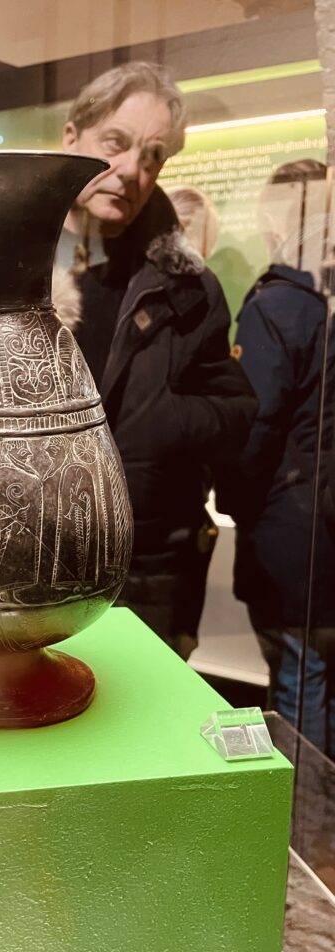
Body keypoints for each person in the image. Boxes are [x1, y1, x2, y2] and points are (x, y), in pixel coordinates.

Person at [54, 62, 257, 659]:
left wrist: (157, 423)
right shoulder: (10, 262)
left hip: (149, 566)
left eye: (153, 156)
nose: (131, 171)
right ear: (72, 137)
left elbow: (234, 409)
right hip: (26, 552)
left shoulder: (187, 285)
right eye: (115, 142)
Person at [218, 160, 335, 756]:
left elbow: (255, 423)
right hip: (318, 520)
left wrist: (232, 499)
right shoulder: (320, 305)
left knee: (297, 682)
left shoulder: (276, 306)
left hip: (290, 526)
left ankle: (299, 808)